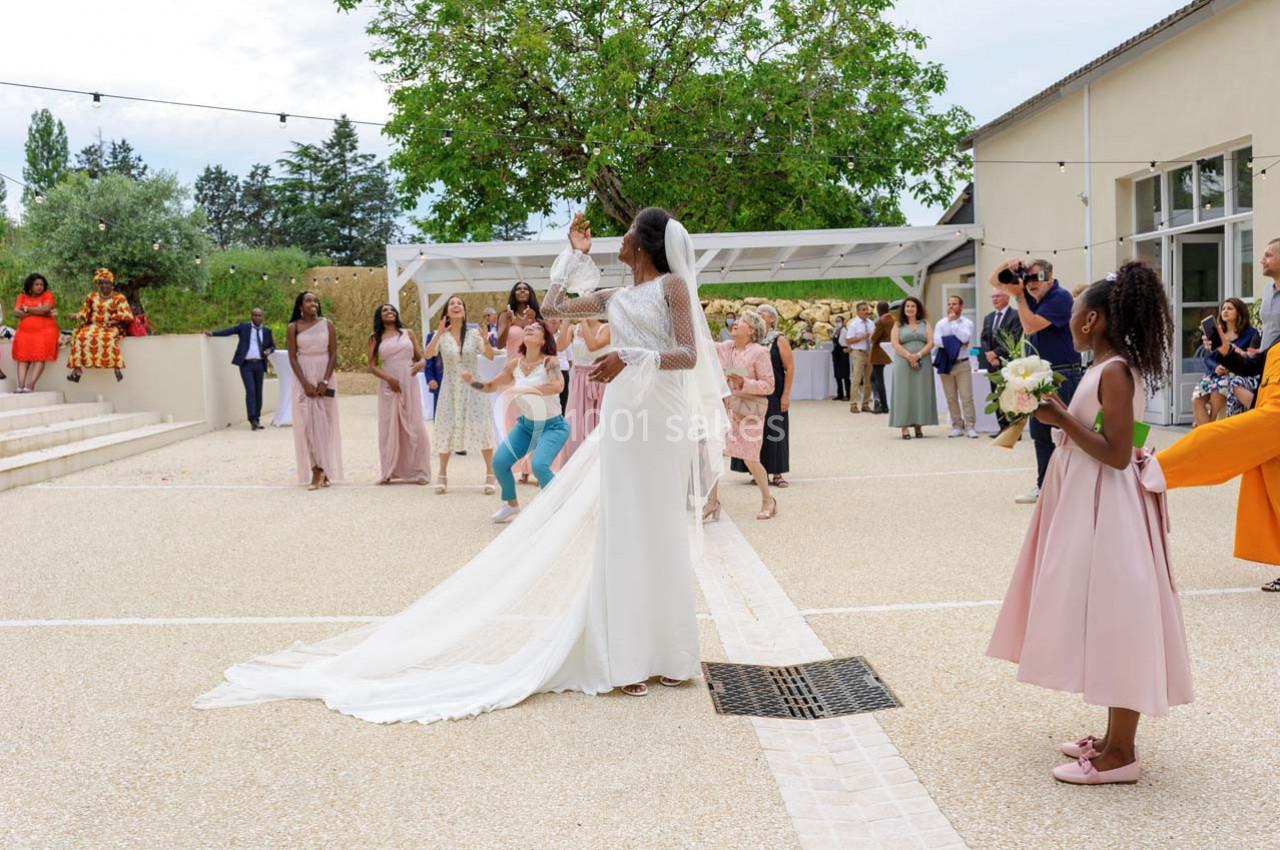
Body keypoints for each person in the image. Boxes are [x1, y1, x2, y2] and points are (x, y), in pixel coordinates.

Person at [195, 205, 728, 719]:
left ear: (646, 242)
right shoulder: (614, 295)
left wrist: (630, 356)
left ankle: (668, 654)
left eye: (629, 231)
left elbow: (690, 353)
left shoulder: (672, 287)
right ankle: (626, 655)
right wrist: (570, 256)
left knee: (659, 528)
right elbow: (554, 310)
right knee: (622, 528)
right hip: (624, 415)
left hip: (658, 415)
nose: (620, 239)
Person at [988, 262, 1188, 785]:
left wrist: (1060, 419)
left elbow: (1119, 454)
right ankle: (1111, 737)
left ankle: (1122, 753)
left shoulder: (1115, 371)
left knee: (1119, 614)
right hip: (1092, 498)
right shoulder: (1107, 368)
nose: (1068, 320)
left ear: (1092, 320)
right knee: (1101, 612)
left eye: (1074, 313)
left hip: (1109, 504)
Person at [1154, 289, 1280, 591]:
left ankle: (1154, 471)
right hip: (1268, 412)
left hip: (1273, 417)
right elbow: (1252, 366)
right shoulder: (1275, 347)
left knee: (1212, 436)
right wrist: (1224, 349)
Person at [991, 258, 1082, 504]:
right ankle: (1045, 486)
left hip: (1063, 373)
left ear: (1049, 278)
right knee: (1040, 432)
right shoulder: (1033, 296)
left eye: (1036, 278)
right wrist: (1009, 267)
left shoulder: (1060, 297)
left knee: (1065, 432)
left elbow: (1030, 327)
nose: (1031, 283)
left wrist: (1020, 296)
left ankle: (1073, 487)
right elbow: (994, 281)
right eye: (1027, 277)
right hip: (1040, 374)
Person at [462, 320, 568, 523]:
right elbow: (491, 386)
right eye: (528, 327)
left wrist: (526, 390)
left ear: (544, 339)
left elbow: (557, 387)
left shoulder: (550, 362)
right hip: (527, 426)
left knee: (539, 466)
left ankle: (558, 507)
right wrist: (471, 382)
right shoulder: (514, 364)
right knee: (499, 462)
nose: (529, 328)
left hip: (553, 427)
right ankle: (510, 505)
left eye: (536, 328)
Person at [703, 312, 776, 520]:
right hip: (725, 411)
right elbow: (704, 343)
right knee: (712, 454)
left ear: (751, 330)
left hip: (748, 413)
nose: (734, 323)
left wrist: (743, 383)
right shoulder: (726, 347)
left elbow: (769, 385)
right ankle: (712, 503)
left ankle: (768, 500)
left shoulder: (760, 353)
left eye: (741, 321)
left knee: (751, 459)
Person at [423, 295, 498, 493]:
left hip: (473, 386)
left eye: (459, 304)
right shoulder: (440, 335)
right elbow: (428, 355)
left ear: (464, 311)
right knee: (446, 427)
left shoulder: (474, 334)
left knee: (482, 426)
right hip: (449, 387)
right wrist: (438, 333)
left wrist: (486, 341)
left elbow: (489, 356)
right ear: (447, 312)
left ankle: (490, 474)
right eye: (452, 304)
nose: (456, 306)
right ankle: (442, 474)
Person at [368, 304, 431, 485]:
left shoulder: (407, 333)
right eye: (385, 311)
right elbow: (372, 365)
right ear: (379, 316)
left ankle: (421, 471)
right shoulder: (375, 337)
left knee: (415, 426)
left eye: (392, 310)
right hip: (389, 384)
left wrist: (421, 363)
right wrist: (389, 379)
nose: (390, 313)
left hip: (409, 381)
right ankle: (389, 470)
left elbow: (420, 357)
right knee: (390, 427)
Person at [286, 291, 342, 490]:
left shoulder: (327, 324)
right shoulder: (293, 327)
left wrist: (325, 380)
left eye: (315, 300)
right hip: (303, 377)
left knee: (326, 423)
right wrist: (304, 383)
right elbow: (292, 357)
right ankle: (315, 469)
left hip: (324, 374)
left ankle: (325, 467)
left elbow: (333, 352)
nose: (313, 303)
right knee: (307, 425)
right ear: (300, 305)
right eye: (308, 300)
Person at [732, 303, 792, 487]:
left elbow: (789, 368)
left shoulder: (779, 340)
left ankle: (778, 473)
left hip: (774, 393)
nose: (757, 315)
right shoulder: (750, 342)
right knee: (755, 432)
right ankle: (758, 472)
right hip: (752, 394)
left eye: (762, 313)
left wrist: (786, 395)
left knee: (775, 432)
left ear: (771, 319)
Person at [498, 282, 543, 483]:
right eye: (518, 289)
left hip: (533, 371)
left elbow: (547, 342)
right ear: (513, 294)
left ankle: (534, 466)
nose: (522, 291)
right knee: (514, 421)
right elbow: (499, 343)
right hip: (512, 372)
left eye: (525, 288)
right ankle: (520, 467)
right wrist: (508, 324)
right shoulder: (504, 315)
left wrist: (535, 322)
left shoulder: (537, 315)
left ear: (530, 293)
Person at [1191, 297, 1258, 426]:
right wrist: (1216, 367)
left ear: (1239, 312)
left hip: (1233, 375)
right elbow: (1208, 358)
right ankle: (1207, 432)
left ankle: (1209, 426)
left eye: (1230, 308)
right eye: (1223, 309)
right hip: (1214, 373)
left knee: (1218, 391)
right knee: (1196, 399)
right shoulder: (1217, 332)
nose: (1225, 311)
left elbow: (1250, 360)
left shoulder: (1251, 333)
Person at [206, 308, 276, 430]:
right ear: (251, 316)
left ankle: (257, 419)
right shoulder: (244, 327)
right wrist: (213, 333)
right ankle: (252, 419)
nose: (257, 317)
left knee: (258, 392)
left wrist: (268, 350)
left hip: (259, 364)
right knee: (251, 391)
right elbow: (230, 331)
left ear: (263, 317)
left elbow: (272, 345)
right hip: (246, 364)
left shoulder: (266, 331)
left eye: (259, 315)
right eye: (255, 315)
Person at [66, 268, 133, 383]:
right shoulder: (91, 296)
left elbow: (127, 315)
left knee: (108, 337)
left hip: (111, 326)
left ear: (112, 284)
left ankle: (116, 367)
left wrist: (113, 321)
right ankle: (77, 370)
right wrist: (76, 316)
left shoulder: (119, 298)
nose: (104, 285)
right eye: (101, 283)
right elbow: (84, 312)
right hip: (93, 325)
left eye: (106, 283)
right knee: (80, 336)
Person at [559, 318, 612, 461]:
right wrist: (565, 320)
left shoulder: (606, 328)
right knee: (574, 425)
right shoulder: (573, 329)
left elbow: (593, 346)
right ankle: (575, 464)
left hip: (600, 380)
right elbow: (559, 347)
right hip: (579, 381)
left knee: (599, 423)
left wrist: (583, 321)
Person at [889, 297, 936, 440]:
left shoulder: (925, 323)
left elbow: (931, 342)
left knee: (920, 392)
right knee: (904, 392)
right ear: (903, 309)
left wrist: (919, 355)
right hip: (903, 362)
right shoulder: (898, 324)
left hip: (923, 360)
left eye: (913, 306)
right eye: (907, 306)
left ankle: (918, 425)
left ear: (918, 309)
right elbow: (895, 344)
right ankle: (904, 427)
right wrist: (909, 356)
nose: (910, 309)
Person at [933, 295, 978, 438]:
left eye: (954, 304)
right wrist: (956, 341)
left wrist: (953, 325)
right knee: (951, 397)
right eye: (949, 304)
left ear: (961, 306)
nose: (951, 306)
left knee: (966, 396)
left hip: (962, 363)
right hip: (946, 363)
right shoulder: (940, 323)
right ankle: (957, 425)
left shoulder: (967, 323)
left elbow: (965, 338)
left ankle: (970, 426)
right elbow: (937, 342)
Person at [979, 290, 1023, 432]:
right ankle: (1003, 427)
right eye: (993, 296)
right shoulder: (989, 317)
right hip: (992, 363)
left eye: (998, 296)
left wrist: (996, 354)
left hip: (1008, 362)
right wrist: (989, 355)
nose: (994, 299)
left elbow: (1013, 337)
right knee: (997, 395)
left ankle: (1014, 428)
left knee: (1011, 395)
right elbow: (984, 338)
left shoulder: (1016, 315)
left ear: (1007, 298)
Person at [11, 273, 59, 394]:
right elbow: (16, 313)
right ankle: (20, 386)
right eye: (36, 284)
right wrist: (40, 312)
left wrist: (26, 309)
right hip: (24, 333)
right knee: (23, 358)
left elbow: (45, 309)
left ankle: (30, 385)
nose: (39, 287)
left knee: (39, 357)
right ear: (30, 286)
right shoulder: (21, 297)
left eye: (42, 284)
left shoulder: (48, 295)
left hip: (44, 332)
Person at [842, 302, 876, 413]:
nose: (866, 311)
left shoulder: (871, 323)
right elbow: (848, 340)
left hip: (869, 353)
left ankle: (865, 404)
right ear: (858, 312)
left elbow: (874, 337)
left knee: (868, 380)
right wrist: (861, 338)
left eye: (867, 309)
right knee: (856, 379)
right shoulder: (854, 324)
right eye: (863, 309)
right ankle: (853, 404)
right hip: (858, 352)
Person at [868, 301, 893, 414]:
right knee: (874, 377)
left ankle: (883, 405)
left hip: (879, 352)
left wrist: (871, 335)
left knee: (878, 380)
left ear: (878, 310)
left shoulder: (881, 322)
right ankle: (878, 400)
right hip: (889, 350)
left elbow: (874, 339)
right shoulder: (894, 320)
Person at [829, 316, 849, 401]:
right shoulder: (835, 330)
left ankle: (848, 394)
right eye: (836, 321)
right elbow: (834, 340)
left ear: (843, 321)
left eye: (839, 321)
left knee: (845, 374)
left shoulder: (845, 331)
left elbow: (849, 341)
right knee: (837, 374)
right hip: (836, 353)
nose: (837, 322)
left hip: (843, 352)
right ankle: (840, 394)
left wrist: (848, 348)